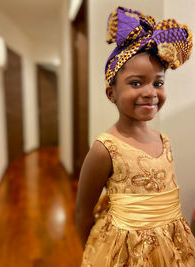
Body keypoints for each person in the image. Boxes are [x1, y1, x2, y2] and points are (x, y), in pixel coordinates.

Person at [76, 7, 195, 266]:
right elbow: (83, 211)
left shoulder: (164, 140)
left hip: (171, 245)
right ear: (111, 93)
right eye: (136, 83)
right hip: (123, 252)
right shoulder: (104, 148)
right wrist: (96, 254)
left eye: (158, 83)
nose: (151, 92)